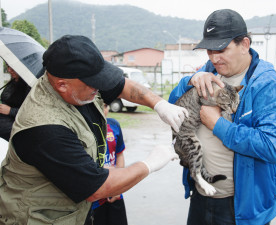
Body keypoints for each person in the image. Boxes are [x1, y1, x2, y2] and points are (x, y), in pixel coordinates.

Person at [0, 35, 185, 225]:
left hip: (75, 212)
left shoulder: (75, 84)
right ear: (62, 85)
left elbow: (120, 84)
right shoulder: (44, 129)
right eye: (95, 82)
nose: (101, 86)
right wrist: (150, 164)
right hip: (41, 218)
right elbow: (98, 188)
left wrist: (159, 104)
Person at [169, 9, 276, 225]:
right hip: (201, 195)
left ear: (244, 44)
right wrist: (189, 81)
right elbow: (172, 108)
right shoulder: (207, 72)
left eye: (222, 49)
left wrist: (218, 124)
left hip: (241, 208)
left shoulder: (269, 86)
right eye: (209, 50)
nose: (214, 58)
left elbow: (273, 148)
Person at [91, 104, 128, 225]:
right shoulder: (83, 131)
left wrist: (118, 185)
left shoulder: (114, 125)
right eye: (99, 106)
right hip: (94, 200)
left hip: (115, 194)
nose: (103, 110)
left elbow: (119, 155)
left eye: (106, 106)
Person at [0, 63, 30, 141]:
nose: (9, 70)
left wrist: (10, 111)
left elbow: (29, 112)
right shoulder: (13, 81)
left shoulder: (28, 87)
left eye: (13, 67)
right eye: (8, 66)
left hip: (13, 126)